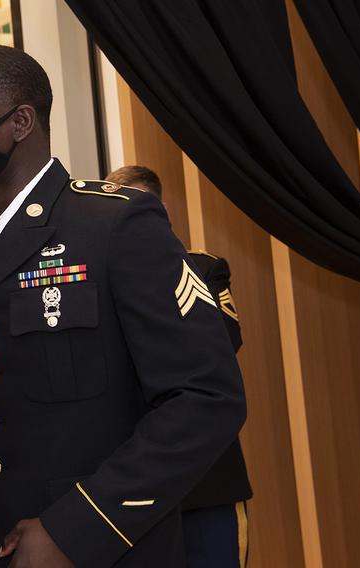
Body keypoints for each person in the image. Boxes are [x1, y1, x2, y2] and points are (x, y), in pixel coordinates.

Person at [0, 45, 246, 567]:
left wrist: (79, 528)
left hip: (108, 546)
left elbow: (205, 398)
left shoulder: (115, 225)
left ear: (20, 122)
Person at [106, 165, 253, 567]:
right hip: (134, 486)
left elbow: (224, 339)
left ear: (160, 211)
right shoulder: (98, 280)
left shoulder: (202, 268)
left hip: (209, 480)